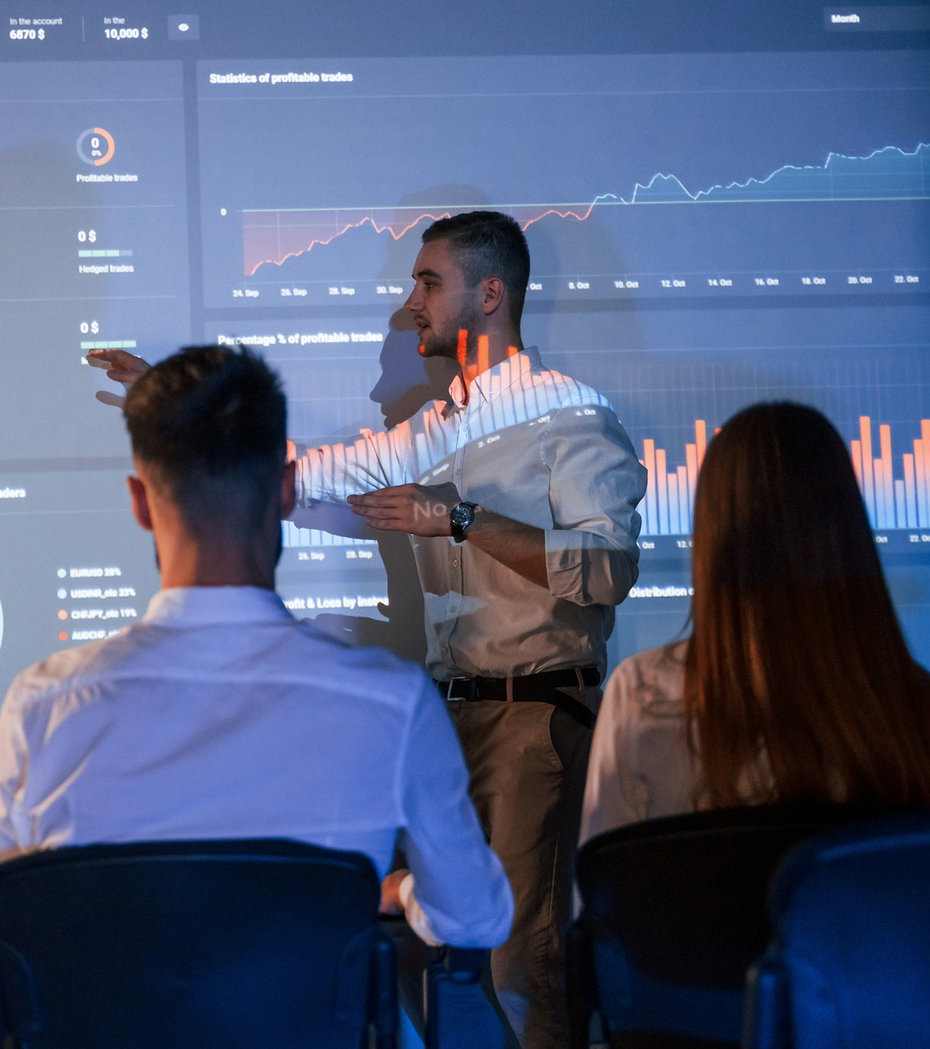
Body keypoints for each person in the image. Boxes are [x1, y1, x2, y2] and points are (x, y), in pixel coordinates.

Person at [91, 212, 646, 1049]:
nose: (410, 301)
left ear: (490, 294)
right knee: (440, 955)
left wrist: (460, 518)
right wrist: (179, 405)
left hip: (534, 718)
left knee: (518, 964)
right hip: (452, 721)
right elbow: (307, 474)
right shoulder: (437, 427)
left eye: (429, 281)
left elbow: (608, 568)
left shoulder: (570, 416)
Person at [0, 345, 513, 965]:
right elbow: (475, 917)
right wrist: (401, 891)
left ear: (140, 503)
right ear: (286, 492)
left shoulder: (42, 705)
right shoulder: (393, 702)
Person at [580, 402, 930, 842]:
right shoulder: (918, 708)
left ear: (713, 535)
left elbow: (603, 875)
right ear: (847, 532)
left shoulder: (643, 694)